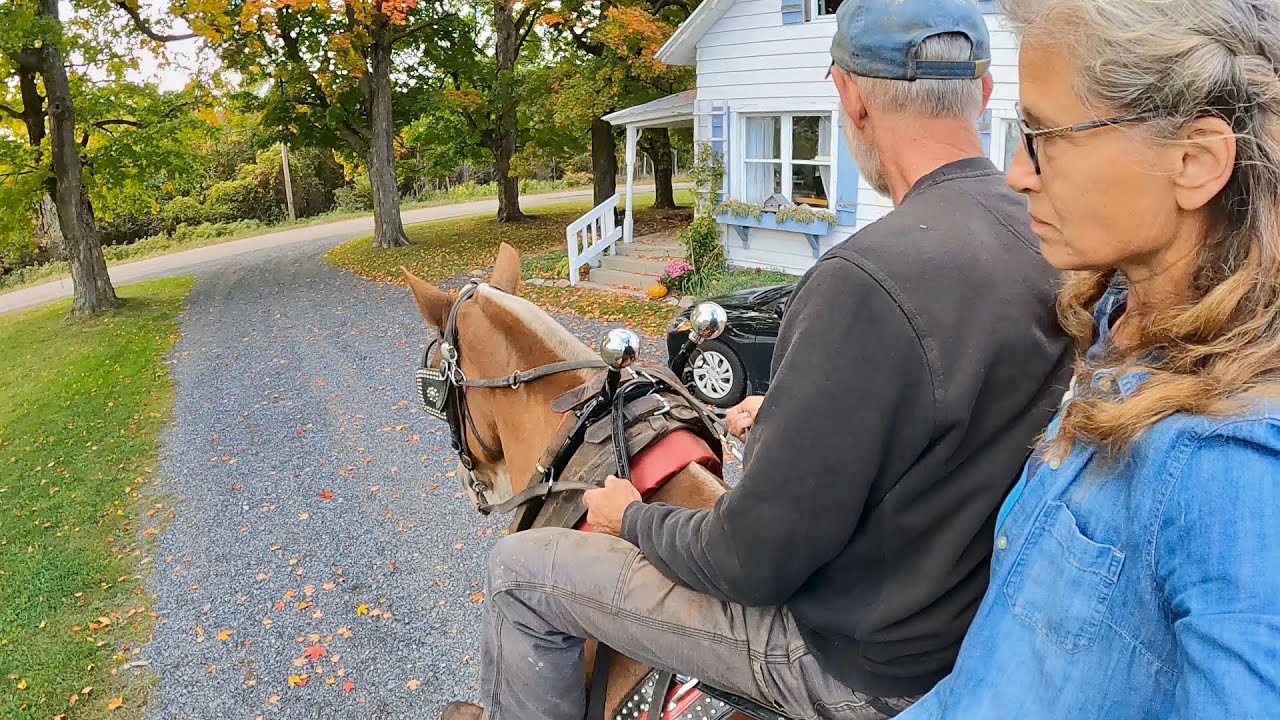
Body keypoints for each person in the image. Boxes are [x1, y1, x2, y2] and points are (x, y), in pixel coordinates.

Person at [441, 1, 1073, 718]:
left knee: (521, 571)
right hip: (969, 622)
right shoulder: (1048, 235)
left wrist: (631, 518)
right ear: (983, 92)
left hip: (850, 661)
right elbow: (962, 405)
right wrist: (790, 412)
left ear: (852, 99)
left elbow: (750, 561)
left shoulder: (862, 280)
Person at [891, 0, 1280, 718]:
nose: (1017, 173)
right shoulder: (1119, 317)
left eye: (1043, 137)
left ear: (1194, 161)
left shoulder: (1232, 462)